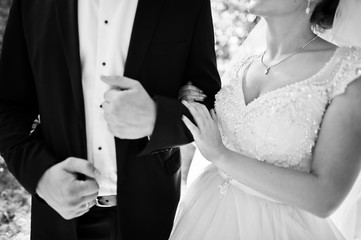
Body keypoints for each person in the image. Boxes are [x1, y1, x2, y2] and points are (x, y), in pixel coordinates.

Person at [0, 0, 221, 239]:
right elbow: (8, 108)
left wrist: (156, 118)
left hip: (152, 214)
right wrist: (40, 176)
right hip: (58, 219)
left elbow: (208, 104)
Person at [171, 0, 361, 239]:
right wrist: (190, 101)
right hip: (204, 214)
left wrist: (221, 155)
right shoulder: (245, 63)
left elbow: (326, 197)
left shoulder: (346, 71)